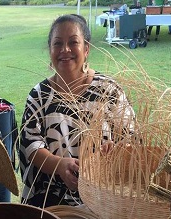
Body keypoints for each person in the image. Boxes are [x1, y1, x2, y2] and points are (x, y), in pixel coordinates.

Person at [19, 14, 135, 208]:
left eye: (73, 42)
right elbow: (30, 145)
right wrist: (58, 165)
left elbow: (131, 138)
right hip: (50, 201)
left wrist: (116, 151)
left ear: (86, 48)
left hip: (104, 198)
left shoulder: (109, 90)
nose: (65, 50)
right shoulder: (39, 96)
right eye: (57, 44)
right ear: (50, 50)